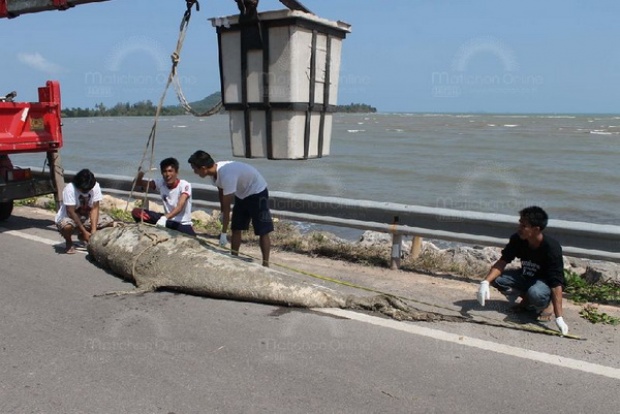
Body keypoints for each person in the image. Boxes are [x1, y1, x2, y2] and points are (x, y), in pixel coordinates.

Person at [476, 206, 569, 335]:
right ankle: (526, 301)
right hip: (526, 276)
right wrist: (485, 282)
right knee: (498, 279)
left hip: (544, 283)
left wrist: (559, 318)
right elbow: (503, 261)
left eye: (523, 225)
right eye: (519, 223)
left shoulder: (551, 248)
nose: (519, 228)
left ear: (536, 229)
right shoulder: (518, 239)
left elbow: (556, 283)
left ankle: (546, 305)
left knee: (536, 293)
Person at [188, 150, 274, 267]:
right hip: (242, 193)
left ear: (203, 168)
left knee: (262, 230)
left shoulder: (227, 174)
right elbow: (221, 190)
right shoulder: (214, 173)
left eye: (195, 169)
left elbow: (228, 205)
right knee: (236, 227)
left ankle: (266, 264)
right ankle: (234, 257)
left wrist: (223, 233)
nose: (194, 172)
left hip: (257, 191)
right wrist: (222, 211)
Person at [131, 157, 196, 236]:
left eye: (170, 171)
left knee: (190, 237)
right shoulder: (161, 183)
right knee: (136, 212)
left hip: (181, 223)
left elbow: (179, 207)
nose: (167, 175)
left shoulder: (185, 185)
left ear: (176, 172)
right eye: (164, 171)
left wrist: (165, 218)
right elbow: (137, 183)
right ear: (161, 173)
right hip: (166, 220)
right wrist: (142, 172)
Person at [55, 168, 114, 254]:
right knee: (67, 226)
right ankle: (69, 241)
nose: (87, 191)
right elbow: (71, 212)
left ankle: (84, 236)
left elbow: (95, 208)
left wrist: (93, 230)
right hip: (70, 219)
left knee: (110, 222)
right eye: (84, 190)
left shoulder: (95, 186)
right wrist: (84, 231)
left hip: (85, 219)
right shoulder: (70, 189)